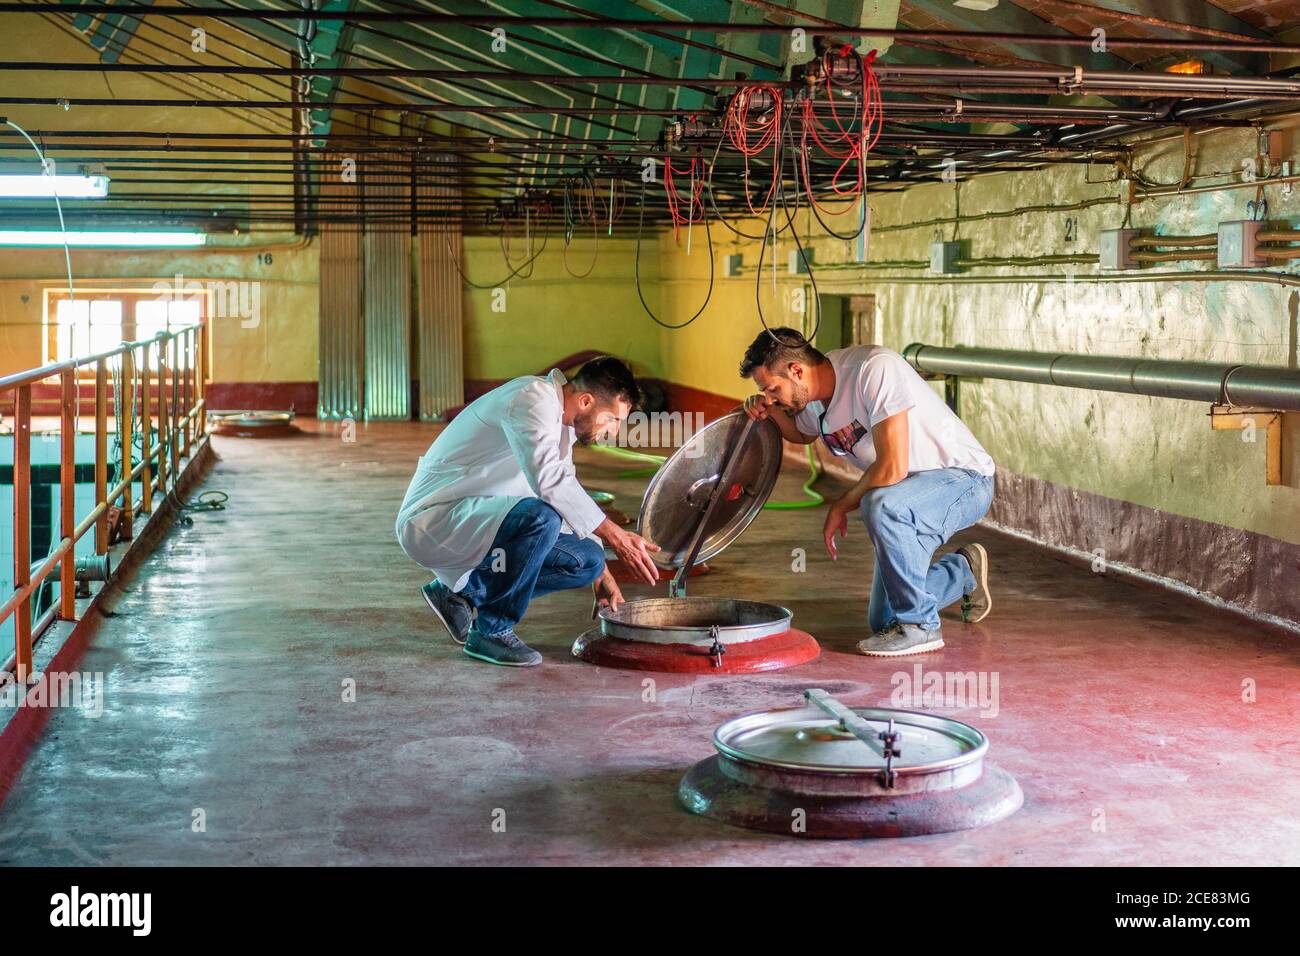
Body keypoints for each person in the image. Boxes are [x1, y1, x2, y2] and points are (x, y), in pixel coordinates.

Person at [739, 328, 995, 657]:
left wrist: (840, 506)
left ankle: (922, 629)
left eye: (772, 389)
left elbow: (892, 467)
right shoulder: (814, 399)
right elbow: (800, 435)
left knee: (880, 504)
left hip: (964, 480)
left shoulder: (873, 369)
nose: (771, 396)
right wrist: (767, 409)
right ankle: (963, 571)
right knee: (886, 619)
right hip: (906, 498)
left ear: (797, 371)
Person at [396, 356, 660, 667]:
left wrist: (601, 569)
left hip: (482, 519)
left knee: (587, 561)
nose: (614, 432)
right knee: (540, 519)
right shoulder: (532, 399)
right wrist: (617, 537)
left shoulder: (562, 428)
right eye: (612, 419)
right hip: (434, 520)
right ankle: (491, 631)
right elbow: (549, 484)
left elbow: (563, 493)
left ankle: (461, 594)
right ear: (586, 401)